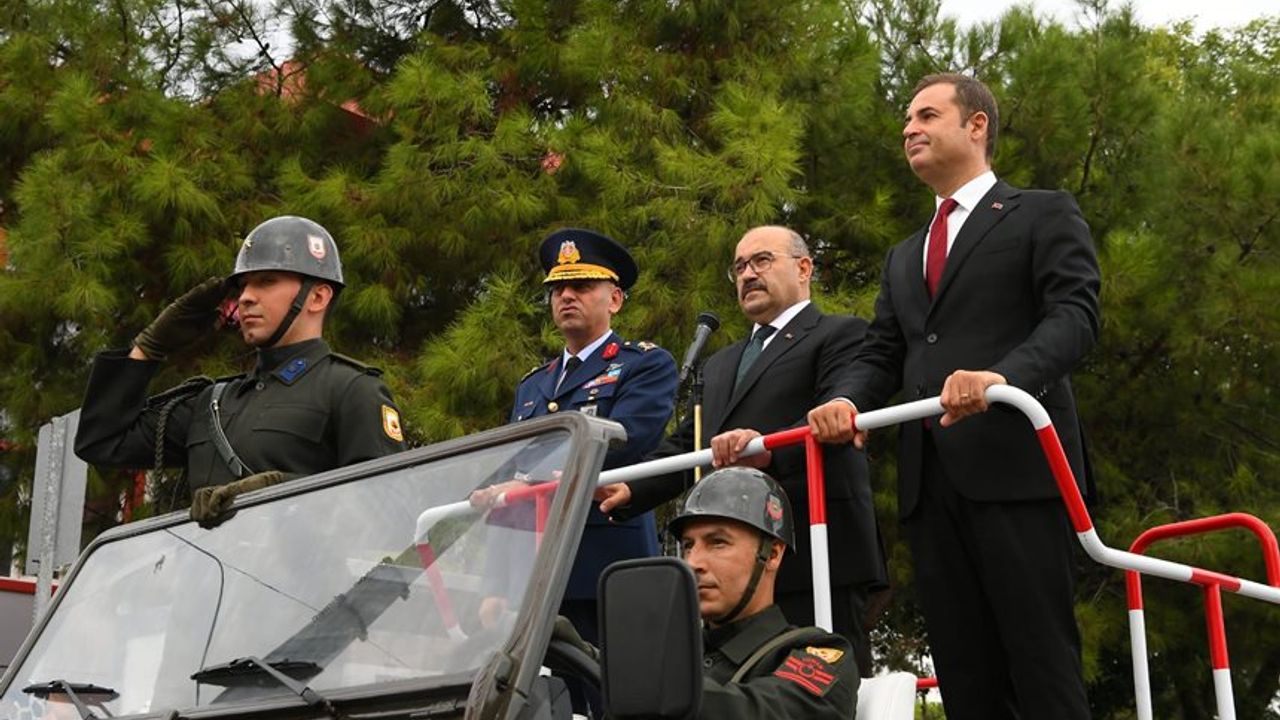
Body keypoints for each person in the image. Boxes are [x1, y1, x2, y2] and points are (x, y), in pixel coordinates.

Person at [808, 73, 1100, 719]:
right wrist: (846, 399)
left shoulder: (1041, 212)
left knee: (1042, 666)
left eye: (926, 115)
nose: (908, 129)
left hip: (1018, 470)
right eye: (906, 120)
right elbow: (882, 351)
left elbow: (1075, 316)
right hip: (931, 485)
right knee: (965, 675)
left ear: (976, 125)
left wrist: (1003, 377)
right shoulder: (904, 255)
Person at [597, 225, 887, 677]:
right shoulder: (720, 362)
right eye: (739, 267)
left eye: (762, 261)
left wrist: (765, 450)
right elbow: (689, 443)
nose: (748, 274)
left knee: (822, 690)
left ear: (804, 268)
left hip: (814, 553)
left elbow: (833, 409)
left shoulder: (841, 334)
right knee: (743, 691)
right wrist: (631, 487)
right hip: (735, 567)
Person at [75, 215, 406, 526]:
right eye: (244, 286)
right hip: (210, 571)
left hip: (301, 571)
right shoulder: (212, 403)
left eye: (266, 281)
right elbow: (103, 441)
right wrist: (149, 347)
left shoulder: (351, 390)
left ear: (317, 297)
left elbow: (386, 512)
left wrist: (285, 492)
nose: (246, 297)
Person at [470, 227, 677, 713]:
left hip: (604, 563)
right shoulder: (532, 385)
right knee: (546, 706)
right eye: (558, 289)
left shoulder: (643, 366)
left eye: (581, 286)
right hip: (534, 574)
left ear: (615, 299)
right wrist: (495, 584)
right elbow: (509, 489)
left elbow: (629, 438)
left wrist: (532, 480)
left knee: (615, 700)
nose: (566, 296)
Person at [674, 466, 858, 717]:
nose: (693, 562)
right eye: (688, 546)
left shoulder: (818, 653)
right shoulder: (675, 654)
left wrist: (655, 689)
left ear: (772, 554)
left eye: (717, 542)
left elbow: (768, 713)